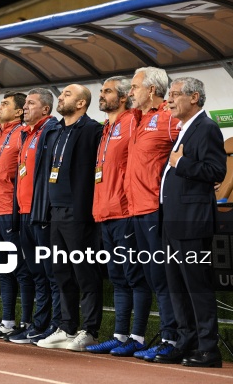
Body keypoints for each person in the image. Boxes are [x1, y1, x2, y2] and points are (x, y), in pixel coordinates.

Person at [155, 77, 226, 368]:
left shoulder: (206, 128)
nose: (169, 100)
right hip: (174, 222)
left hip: (191, 223)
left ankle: (209, 349)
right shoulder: (186, 128)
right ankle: (186, 342)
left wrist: (181, 163)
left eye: (174, 95)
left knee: (196, 287)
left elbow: (216, 170)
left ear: (194, 97)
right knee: (177, 288)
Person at [86, 77, 152, 356]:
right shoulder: (106, 128)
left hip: (125, 211)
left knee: (135, 276)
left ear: (124, 97)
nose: (101, 95)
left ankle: (136, 337)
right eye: (101, 91)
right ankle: (120, 335)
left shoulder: (133, 120)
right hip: (104, 213)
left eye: (108, 91)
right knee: (117, 277)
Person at [36, 84, 103, 351]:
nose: (60, 97)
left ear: (81, 104)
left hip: (79, 212)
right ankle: (67, 326)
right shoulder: (55, 130)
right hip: (56, 210)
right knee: (61, 272)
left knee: (84, 272)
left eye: (66, 95)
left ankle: (90, 330)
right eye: (61, 93)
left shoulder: (92, 130)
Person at [125, 67, 180, 362]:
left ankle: (172, 338)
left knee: (162, 277)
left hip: (155, 210)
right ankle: (164, 336)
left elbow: (193, 140)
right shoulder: (138, 119)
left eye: (134, 87)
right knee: (149, 277)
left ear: (152, 90)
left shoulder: (168, 118)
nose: (130, 92)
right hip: (135, 210)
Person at [0, 92, 34, 342]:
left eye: (5, 104)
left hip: (12, 212)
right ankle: (7, 322)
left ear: (20, 111)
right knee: (4, 269)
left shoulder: (22, 134)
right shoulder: (1, 134)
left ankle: (27, 322)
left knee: (21, 270)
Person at [16, 88, 62, 345]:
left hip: (42, 213)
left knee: (51, 273)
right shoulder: (27, 134)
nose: (25, 107)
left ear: (46, 109)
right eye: (25, 104)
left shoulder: (50, 131)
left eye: (31, 103)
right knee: (36, 273)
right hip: (24, 213)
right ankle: (39, 323)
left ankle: (55, 324)